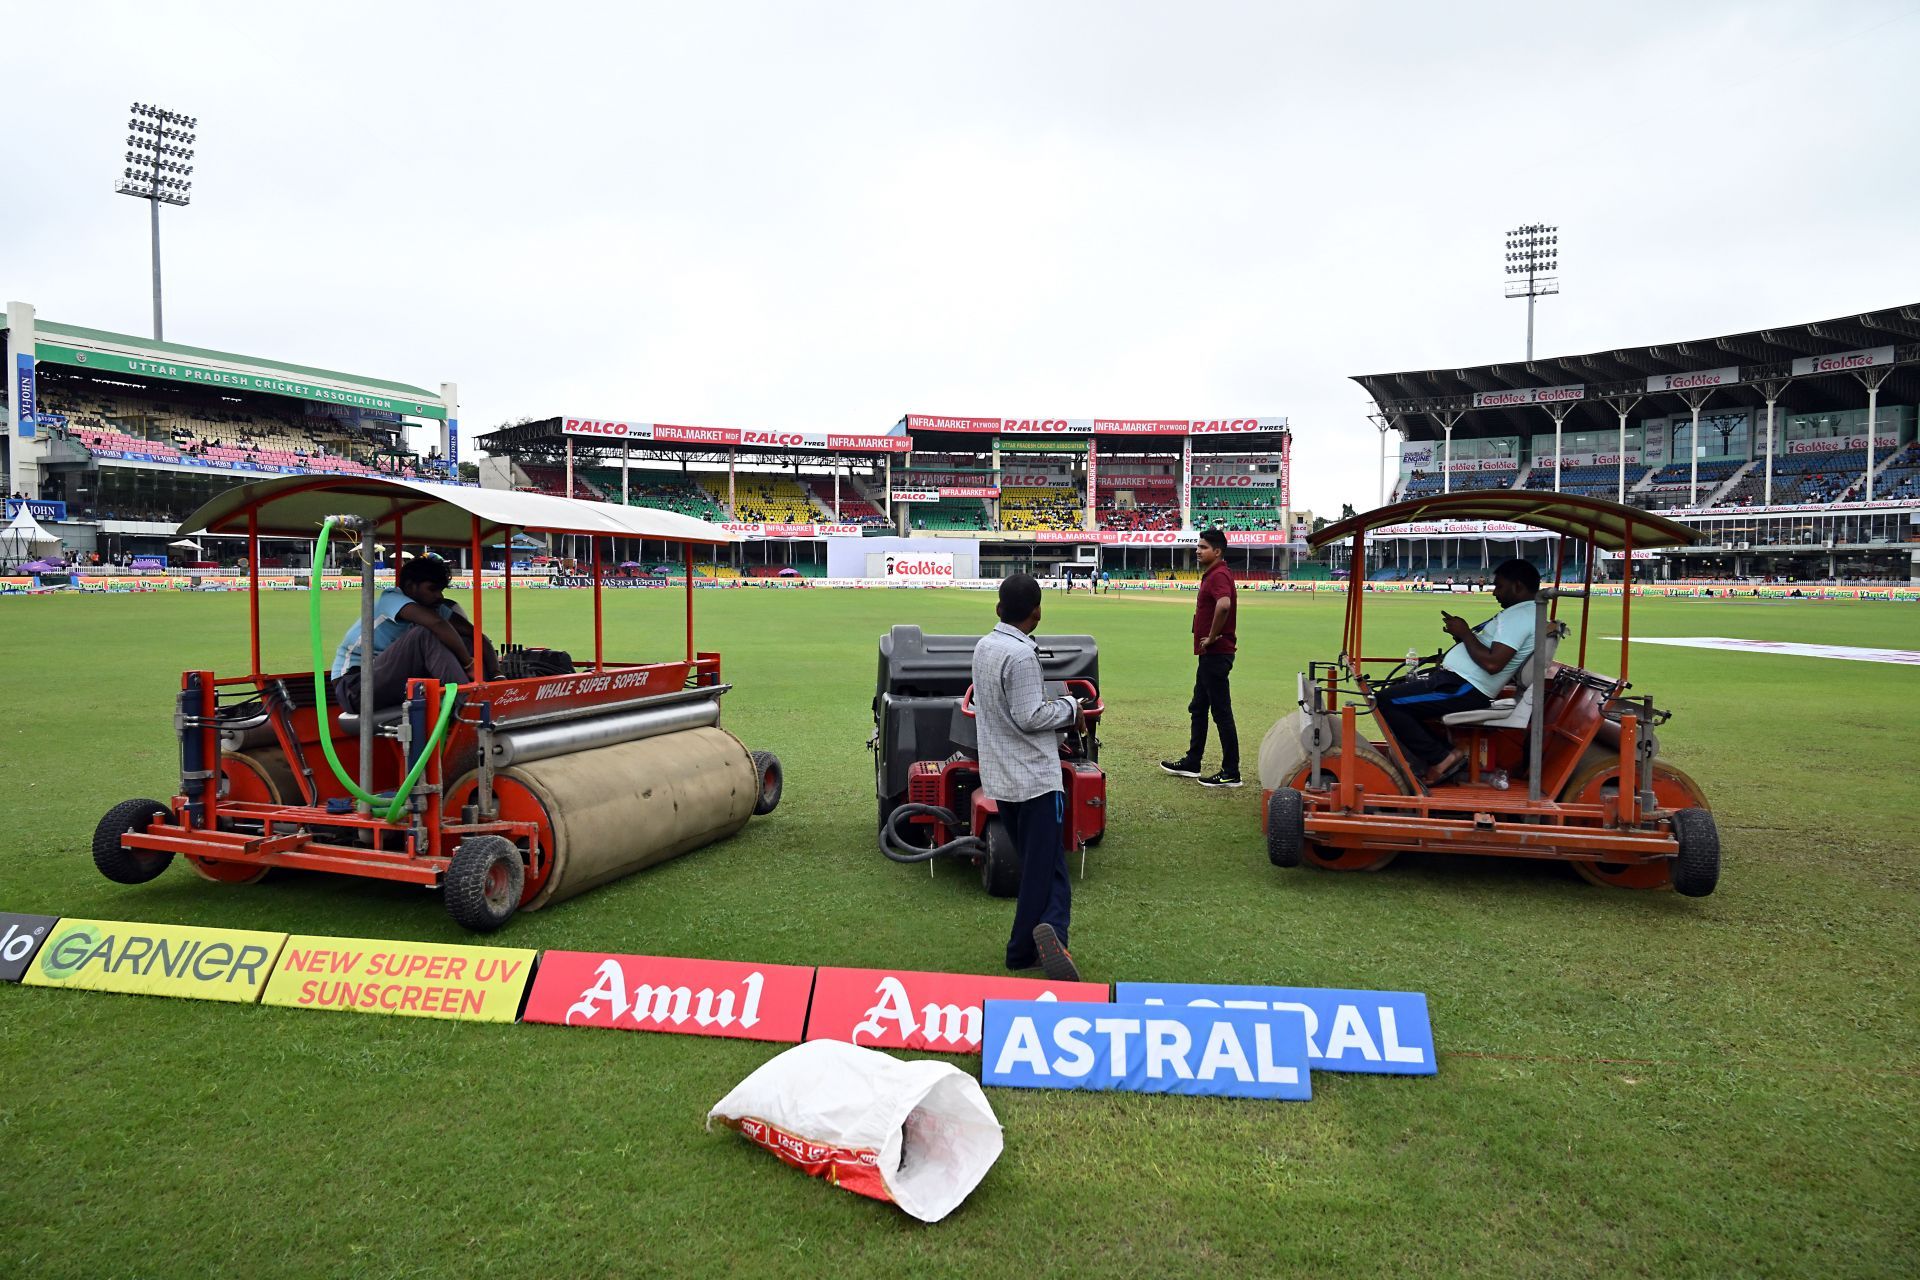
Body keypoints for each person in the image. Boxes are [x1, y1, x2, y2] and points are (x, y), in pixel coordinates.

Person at [971, 573, 1086, 982]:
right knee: (1041, 870)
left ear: (999, 608)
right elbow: (1029, 716)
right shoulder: (1020, 656)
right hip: (1034, 780)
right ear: (1036, 612)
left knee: (1050, 865)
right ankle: (1023, 949)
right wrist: (1071, 708)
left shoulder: (985, 646)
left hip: (1001, 777)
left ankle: (1054, 932)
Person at [1374, 558, 1540, 785]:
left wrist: (1465, 633)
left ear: (1518, 586)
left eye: (1499, 586)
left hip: (1466, 687)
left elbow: (1493, 664)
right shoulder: (1521, 614)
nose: (1494, 592)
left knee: (1385, 700)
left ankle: (1442, 757)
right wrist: (1460, 637)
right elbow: (1490, 652)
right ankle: (1440, 754)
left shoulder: (1520, 616)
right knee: (1393, 695)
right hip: (1459, 682)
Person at [330, 556, 499, 713]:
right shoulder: (392, 598)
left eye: (440, 590)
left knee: (464, 640)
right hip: (354, 686)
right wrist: (469, 665)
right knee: (425, 634)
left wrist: (497, 675)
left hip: (387, 681)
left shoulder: (433, 608)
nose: (439, 596)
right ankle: (469, 708)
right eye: (432, 589)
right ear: (411, 587)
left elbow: (476, 635)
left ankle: (489, 697)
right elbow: (437, 624)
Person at [1161, 528, 1240, 787]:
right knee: (1198, 707)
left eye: (1203, 547)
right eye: (1198, 546)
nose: (1197, 550)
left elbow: (1224, 605)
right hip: (1210, 655)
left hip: (1216, 653)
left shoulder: (1218, 575)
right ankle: (1193, 762)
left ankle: (1231, 771)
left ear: (1217, 551)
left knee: (1221, 713)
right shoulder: (1215, 573)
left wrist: (1213, 636)